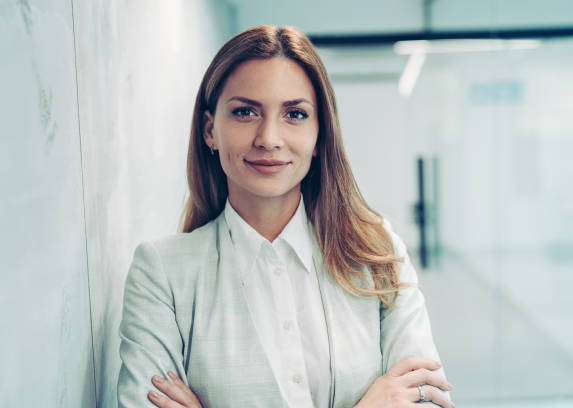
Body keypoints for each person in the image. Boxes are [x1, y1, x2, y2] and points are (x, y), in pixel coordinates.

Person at [117, 25, 454, 408]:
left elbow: (427, 399)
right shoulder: (161, 273)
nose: (269, 137)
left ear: (319, 135)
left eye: (294, 114)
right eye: (245, 112)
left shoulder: (376, 254)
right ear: (211, 130)